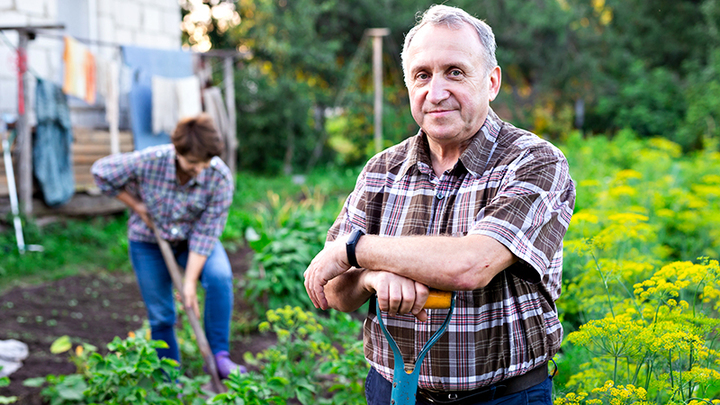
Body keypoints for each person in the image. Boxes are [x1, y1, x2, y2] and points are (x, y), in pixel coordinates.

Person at [304, 4, 575, 405]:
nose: (436, 92)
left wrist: (355, 250)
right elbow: (335, 292)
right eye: (422, 75)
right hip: (392, 391)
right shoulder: (382, 170)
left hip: (502, 397)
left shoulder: (533, 161)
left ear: (492, 81)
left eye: (455, 72)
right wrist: (370, 279)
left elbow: (471, 264)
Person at [92, 113, 246, 379]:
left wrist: (188, 283)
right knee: (162, 315)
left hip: (192, 241)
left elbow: (207, 232)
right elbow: (101, 172)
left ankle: (219, 357)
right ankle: (169, 379)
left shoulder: (219, 177)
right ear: (177, 151)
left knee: (220, 277)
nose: (200, 168)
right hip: (148, 243)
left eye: (206, 162)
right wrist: (137, 205)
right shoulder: (151, 160)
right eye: (193, 162)